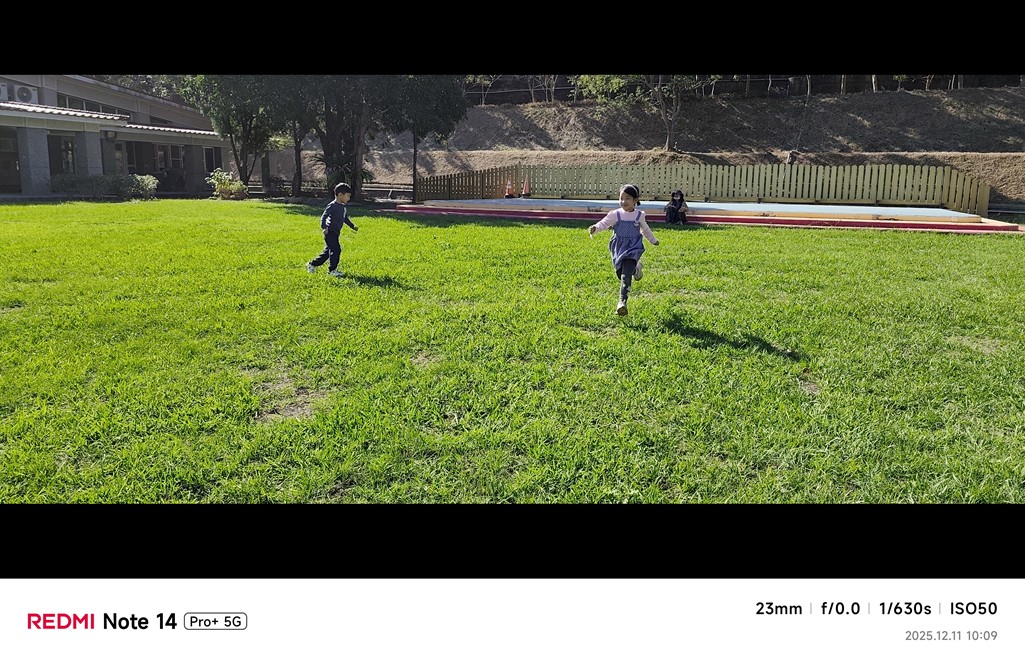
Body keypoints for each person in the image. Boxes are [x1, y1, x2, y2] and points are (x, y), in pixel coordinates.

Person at [588, 183, 659, 316]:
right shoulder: (615, 214)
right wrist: (595, 228)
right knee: (620, 273)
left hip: (633, 247)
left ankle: (622, 302)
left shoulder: (639, 215)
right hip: (618, 247)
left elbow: (645, 230)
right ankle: (636, 269)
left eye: (627, 198)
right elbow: (604, 223)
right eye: (621, 198)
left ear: (635, 200)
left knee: (626, 276)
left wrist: (653, 240)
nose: (623, 201)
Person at [307, 182, 358, 277]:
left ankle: (312, 264)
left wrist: (352, 226)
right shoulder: (332, 205)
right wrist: (324, 227)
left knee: (327, 253)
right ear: (340, 195)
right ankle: (332, 270)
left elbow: (344, 218)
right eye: (348, 196)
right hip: (330, 232)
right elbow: (324, 216)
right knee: (336, 250)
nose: (349, 198)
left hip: (336, 233)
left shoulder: (342, 207)